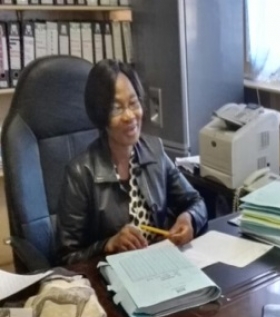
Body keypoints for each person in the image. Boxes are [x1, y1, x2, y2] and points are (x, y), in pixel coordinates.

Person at [57, 60, 207, 265]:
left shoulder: (154, 152)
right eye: (116, 109)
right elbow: (67, 257)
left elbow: (195, 202)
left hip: (161, 266)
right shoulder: (80, 173)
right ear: (101, 115)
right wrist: (108, 244)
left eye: (134, 103)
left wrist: (188, 219)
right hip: (109, 280)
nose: (129, 116)